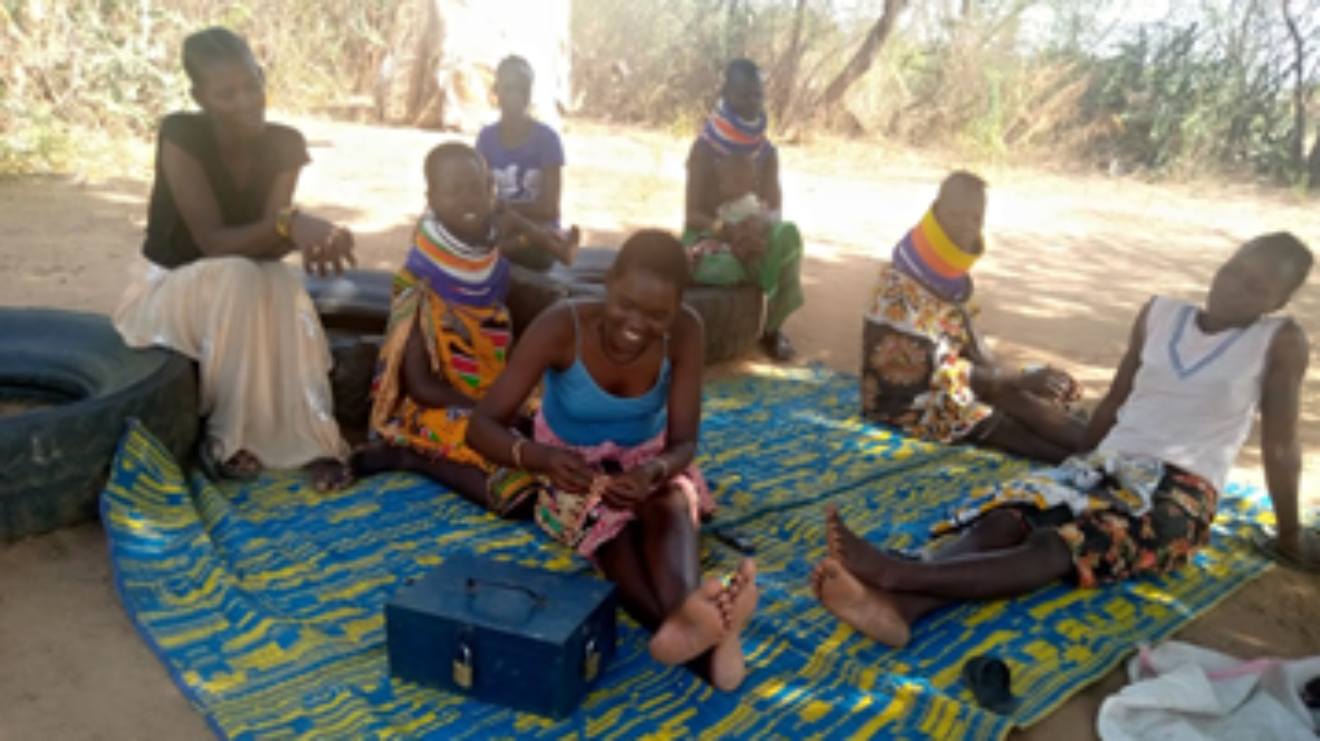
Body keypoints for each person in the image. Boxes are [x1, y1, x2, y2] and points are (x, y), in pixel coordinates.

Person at [816, 233, 1317, 648]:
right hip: (1110, 463)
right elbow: (1115, 403)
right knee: (1009, 516)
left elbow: (1280, 447)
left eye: (1256, 288)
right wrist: (1075, 468)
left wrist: (1289, 537)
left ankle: (901, 577)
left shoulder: (1277, 342)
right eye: (1234, 270)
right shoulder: (1160, 315)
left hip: (1178, 491)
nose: (1234, 288)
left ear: (1276, 303)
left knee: (1061, 544)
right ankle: (897, 611)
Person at [466, 230, 758, 690]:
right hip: (571, 468)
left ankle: (686, 614)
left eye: (657, 314)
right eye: (625, 304)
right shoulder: (561, 326)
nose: (635, 323)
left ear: (679, 306)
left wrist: (652, 472)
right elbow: (480, 427)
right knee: (611, 536)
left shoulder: (686, 331)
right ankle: (703, 638)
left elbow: (683, 442)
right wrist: (541, 458)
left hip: (648, 460)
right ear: (607, 282)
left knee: (672, 503)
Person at [113, 27, 354, 489]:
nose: (246, 100)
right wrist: (291, 223)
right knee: (237, 276)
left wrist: (312, 238)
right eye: (227, 93)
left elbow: (267, 236)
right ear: (200, 97)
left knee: (282, 282)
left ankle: (314, 439)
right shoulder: (181, 135)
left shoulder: (284, 143)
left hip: (229, 283)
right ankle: (226, 439)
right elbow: (213, 241)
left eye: (252, 84)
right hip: (165, 293)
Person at [350, 142, 576, 514]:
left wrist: (511, 404)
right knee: (516, 493)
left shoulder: (492, 265)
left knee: (572, 439)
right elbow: (421, 386)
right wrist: (492, 410)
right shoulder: (417, 282)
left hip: (496, 397)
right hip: (443, 408)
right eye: (454, 190)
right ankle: (413, 458)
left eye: (478, 187)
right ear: (432, 197)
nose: (469, 198)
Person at [862, 171, 1085, 463]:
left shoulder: (945, 277)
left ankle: (1100, 447)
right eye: (957, 215)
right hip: (905, 404)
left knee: (1019, 400)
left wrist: (1026, 379)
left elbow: (973, 350)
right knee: (1003, 424)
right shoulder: (899, 291)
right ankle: (1093, 461)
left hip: (948, 387)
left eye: (976, 219)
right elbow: (933, 374)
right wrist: (1016, 379)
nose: (968, 227)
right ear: (937, 210)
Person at [684, 58, 804, 362]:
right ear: (726, 93)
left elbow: (774, 207)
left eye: (757, 95)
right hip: (710, 235)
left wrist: (757, 229)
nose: (752, 102)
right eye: (743, 94)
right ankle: (752, 273)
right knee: (724, 268)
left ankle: (773, 329)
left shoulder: (766, 153)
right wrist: (726, 232)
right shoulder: (704, 149)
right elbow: (691, 214)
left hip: (752, 234)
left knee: (789, 235)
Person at [475, 55, 575, 270]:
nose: (515, 96)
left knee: (489, 252)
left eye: (522, 89)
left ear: (529, 95)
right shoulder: (486, 138)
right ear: (497, 93)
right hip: (503, 227)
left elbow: (550, 209)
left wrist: (508, 212)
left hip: (537, 231)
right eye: (508, 88)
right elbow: (479, 192)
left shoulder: (547, 140)